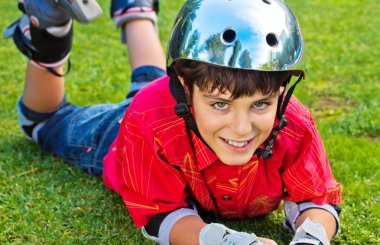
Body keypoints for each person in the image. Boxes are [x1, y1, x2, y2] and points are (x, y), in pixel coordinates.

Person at [3, 0, 342, 244]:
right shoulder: (150, 122)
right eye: (221, 104)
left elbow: (318, 200)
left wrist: (312, 237)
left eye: (261, 104)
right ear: (183, 88)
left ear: (282, 92)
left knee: (148, 79)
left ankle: (135, 8)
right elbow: (159, 214)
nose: (242, 129)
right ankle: (50, 29)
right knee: (43, 122)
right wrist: (225, 242)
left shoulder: (293, 122)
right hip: (124, 131)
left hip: (173, 110)